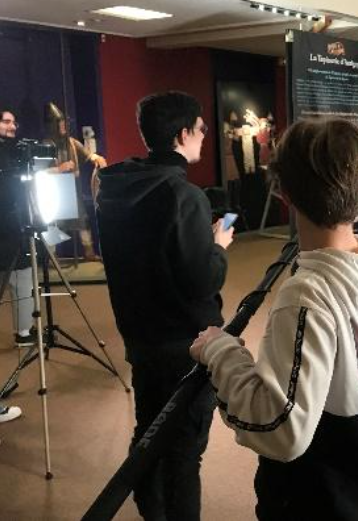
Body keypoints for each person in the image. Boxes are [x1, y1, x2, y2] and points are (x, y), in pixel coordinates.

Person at [190, 117, 358, 521]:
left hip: (312, 498)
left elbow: (280, 428)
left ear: (284, 195)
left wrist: (220, 352)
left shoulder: (305, 297)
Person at [96, 91, 234, 521]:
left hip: (140, 337)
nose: (204, 135)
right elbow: (203, 280)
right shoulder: (184, 196)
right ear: (182, 134)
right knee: (184, 451)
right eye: (200, 128)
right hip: (186, 346)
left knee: (148, 438)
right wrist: (218, 245)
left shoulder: (114, 188)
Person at [42, 102, 107, 260]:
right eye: (59, 123)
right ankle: (52, 256)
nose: (63, 126)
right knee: (53, 223)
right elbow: (39, 171)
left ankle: (89, 253)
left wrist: (97, 158)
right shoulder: (46, 145)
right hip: (54, 191)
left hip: (71, 189)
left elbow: (89, 155)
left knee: (82, 220)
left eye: (64, 122)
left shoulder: (72, 143)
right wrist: (59, 169)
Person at [0, 107, 35, 347]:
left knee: (22, 276)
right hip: (9, 226)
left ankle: (25, 331)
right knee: (20, 276)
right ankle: (23, 332)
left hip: (15, 226)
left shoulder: (15, 152)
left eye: (14, 122)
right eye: (6, 121)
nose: (12, 126)